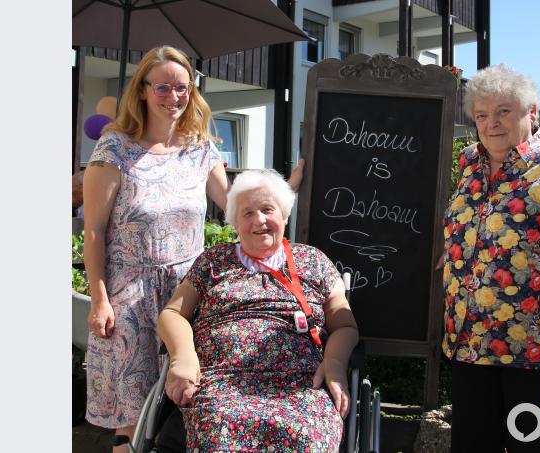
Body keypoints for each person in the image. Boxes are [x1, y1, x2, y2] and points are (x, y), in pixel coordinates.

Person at [81, 46, 304, 451]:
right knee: (131, 419)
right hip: (130, 295)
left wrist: (285, 190)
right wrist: (99, 299)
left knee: (185, 402)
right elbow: (94, 230)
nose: (173, 97)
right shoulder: (115, 148)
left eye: (182, 87)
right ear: (144, 90)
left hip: (189, 294)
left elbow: (236, 206)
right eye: (162, 87)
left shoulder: (201, 148)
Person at [156, 169, 359, 451]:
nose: (259, 220)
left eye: (267, 209)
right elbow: (173, 314)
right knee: (219, 427)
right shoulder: (214, 261)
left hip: (301, 384)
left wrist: (335, 364)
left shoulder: (314, 261)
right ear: (235, 223)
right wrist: (183, 357)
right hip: (221, 381)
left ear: (285, 215)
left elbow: (345, 326)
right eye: (247, 213)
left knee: (307, 435)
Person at [440, 63, 540, 452]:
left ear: (531, 112)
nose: (492, 124)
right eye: (482, 115)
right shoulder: (471, 161)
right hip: (468, 342)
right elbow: (477, 217)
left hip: (531, 355)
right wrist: (457, 246)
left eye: (504, 111)